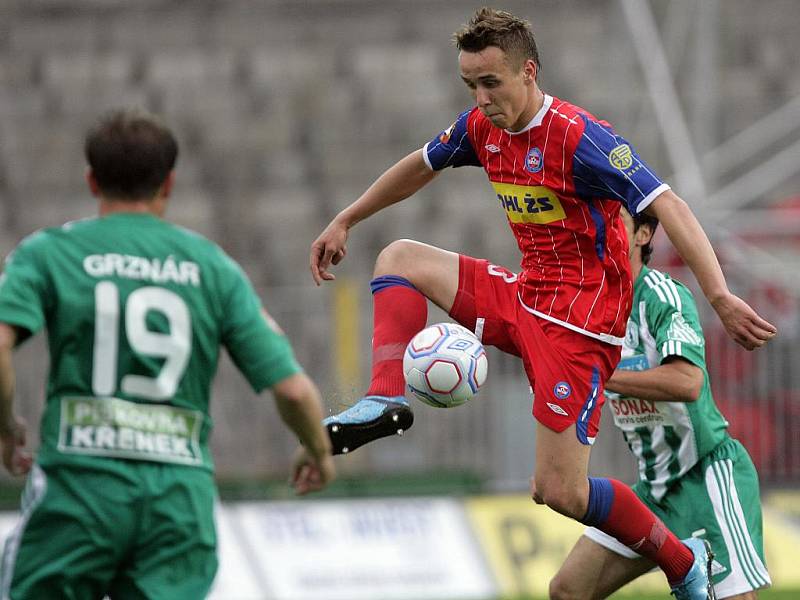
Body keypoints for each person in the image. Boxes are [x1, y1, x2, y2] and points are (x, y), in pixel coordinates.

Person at [308, 8, 775, 599]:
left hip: (580, 327)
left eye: (491, 83)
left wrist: (720, 296)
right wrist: (348, 217)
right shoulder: (482, 128)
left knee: (559, 492)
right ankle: (383, 399)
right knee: (399, 257)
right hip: (527, 297)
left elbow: (669, 205)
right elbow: (420, 165)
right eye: (470, 86)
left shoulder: (582, 138)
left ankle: (683, 566)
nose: (480, 99)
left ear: (529, 72)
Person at [0, 108, 335, 599]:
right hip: (177, 503)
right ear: (169, 184)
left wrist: (6, 427)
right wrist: (318, 450)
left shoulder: (48, 253)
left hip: (78, 491)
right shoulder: (212, 267)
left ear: (92, 181)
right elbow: (292, 389)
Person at [549, 209, 771, 600]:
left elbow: (688, 382)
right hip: (653, 491)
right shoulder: (591, 307)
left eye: (615, 220)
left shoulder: (660, 295)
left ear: (644, 235)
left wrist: (601, 376)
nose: (602, 228)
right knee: (568, 590)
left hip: (705, 476)